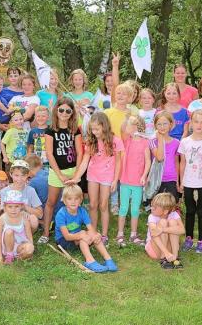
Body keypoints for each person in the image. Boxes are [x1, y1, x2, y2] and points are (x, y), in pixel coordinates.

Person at [70, 112, 122, 247]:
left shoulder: (115, 141)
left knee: (103, 205)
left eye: (97, 129)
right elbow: (85, 161)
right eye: (92, 129)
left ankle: (104, 235)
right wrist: (76, 178)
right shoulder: (91, 141)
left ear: (104, 127)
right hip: (93, 175)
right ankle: (93, 232)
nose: (94, 132)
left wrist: (115, 180)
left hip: (107, 177)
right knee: (93, 204)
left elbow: (118, 162)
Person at [41, 97, 83, 244]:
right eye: (61, 110)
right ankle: (46, 233)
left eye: (68, 111)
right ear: (56, 110)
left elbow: (79, 152)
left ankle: (73, 232)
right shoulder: (50, 130)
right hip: (56, 172)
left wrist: (77, 173)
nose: (64, 113)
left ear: (72, 113)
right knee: (51, 202)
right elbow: (49, 153)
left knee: (75, 202)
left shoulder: (75, 130)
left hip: (73, 171)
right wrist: (59, 174)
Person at [54, 185, 118, 273]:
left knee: (92, 234)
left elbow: (90, 229)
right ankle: (89, 260)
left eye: (76, 199)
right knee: (83, 234)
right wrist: (82, 235)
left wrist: (95, 235)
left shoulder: (82, 211)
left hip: (77, 237)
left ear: (80, 200)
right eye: (69, 199)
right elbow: (67, 237)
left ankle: (108, 259)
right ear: (64, 201)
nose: (73, 202)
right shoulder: (61, 214)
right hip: (63, 241)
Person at [178, 109, 202, 254]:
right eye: (196, 122)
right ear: (191, 123)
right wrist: (181, 182)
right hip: (188, 181)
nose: (199, 125)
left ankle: (201, 241)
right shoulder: (185, 142)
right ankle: (188, 238)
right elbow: (182, 163)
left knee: (201, 211)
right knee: (190, 211)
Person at [116, 115, 151, 247]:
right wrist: (127, 117)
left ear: (137, 127)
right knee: (123, 208)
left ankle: (133, 234)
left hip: (137, 181)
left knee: (135, 209)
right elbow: (122, 129)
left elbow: (148, 161)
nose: (127, 127)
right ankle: (120, 233)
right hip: (125, 180)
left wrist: (144, 175)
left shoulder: (145, 142)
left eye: (130, 125)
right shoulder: (127, 140)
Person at [0, 160, 43, 233]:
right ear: (11, 174)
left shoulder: (31, 190)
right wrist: (19, 213)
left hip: (26, 221)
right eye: (16, 175)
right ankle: (10, 235)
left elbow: (40, 214)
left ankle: (25, 237)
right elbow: (3, 212)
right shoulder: (4, 191)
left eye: (23, 175)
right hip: (11, 221)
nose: (19, 179)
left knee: (34, 219)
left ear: (27, 175)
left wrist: (25, 207)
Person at [0, 189, 36, 264]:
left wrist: (30, 250)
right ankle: (9, 255)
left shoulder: (24, 219)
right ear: (5, 207)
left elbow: (29, 237)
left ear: (21, 206)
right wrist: (0, 257)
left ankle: (18, 256)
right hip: (5, 244)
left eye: (16, 206)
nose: (13, 210)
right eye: (10, 207)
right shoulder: (2, 219)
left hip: (19, 244)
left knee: (29, 249)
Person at [145, 192, 185, 270]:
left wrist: (162, 229)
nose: (151, 208)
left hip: (168, 249)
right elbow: (154, 234)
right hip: (154, 249)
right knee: (163, 222)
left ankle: (175, 257)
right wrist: (166, 253)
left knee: (173, 223)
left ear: (165, 211)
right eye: (152, 205)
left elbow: (182, 230)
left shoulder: (174, 214)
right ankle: (164, 258)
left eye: (155, 207)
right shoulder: (152, 216)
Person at [151, 111, 181, 201]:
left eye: (165, 124)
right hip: (157, 179)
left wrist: (177, 180)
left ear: (171, 124)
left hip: (171, 178)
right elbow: (160, 157)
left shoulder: (176, 142)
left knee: (171, 205)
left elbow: (176, 162)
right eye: (159, 124)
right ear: (155, 126)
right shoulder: (153, 142)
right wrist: (160, 139)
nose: (162, 127)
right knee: (158, 206)